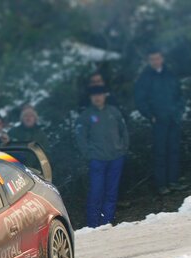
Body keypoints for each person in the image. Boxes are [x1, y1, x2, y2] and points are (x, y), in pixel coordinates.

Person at [75, 85, 129, 228]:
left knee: (111, 193)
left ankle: (107, 222)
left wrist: (123, 149)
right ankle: (93, 225)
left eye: (100, 94)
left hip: (116, 158)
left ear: (105, 96)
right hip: (97, 160)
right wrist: (89, 155)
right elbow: (80, 138)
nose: (98, 98)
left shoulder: (114, 112)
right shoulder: (86, 116)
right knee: (96, 193)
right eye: (94, 95)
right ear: (91, 98)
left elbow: (124, 131)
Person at [134, 48, 186, 195]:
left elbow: (179, 94)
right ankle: (162, 184)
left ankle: (173, 181)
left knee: (174, 150)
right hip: (158, 121)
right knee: (160, 152)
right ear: (149, 61)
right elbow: (140, 100)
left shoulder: (169, 74)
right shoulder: (145, 78)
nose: (155, 61)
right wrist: (150, 115)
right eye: (152, 59)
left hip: (173, 119)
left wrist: (179, 110)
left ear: (162, 58)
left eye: (157, 58)